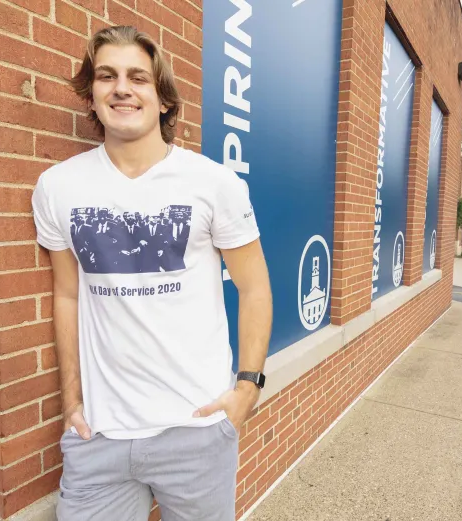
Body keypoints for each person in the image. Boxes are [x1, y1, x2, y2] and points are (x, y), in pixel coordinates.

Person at [31, 25, 273, 521]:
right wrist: (71, 401)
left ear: (162, 98)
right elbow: (67, 296)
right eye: (107, 76)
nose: (122, 88)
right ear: (92, 94)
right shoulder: (57, 188)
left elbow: (254, 288)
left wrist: (246, 389)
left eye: (138, 77)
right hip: (98, 435)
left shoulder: (212, 183)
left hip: (197, 430)